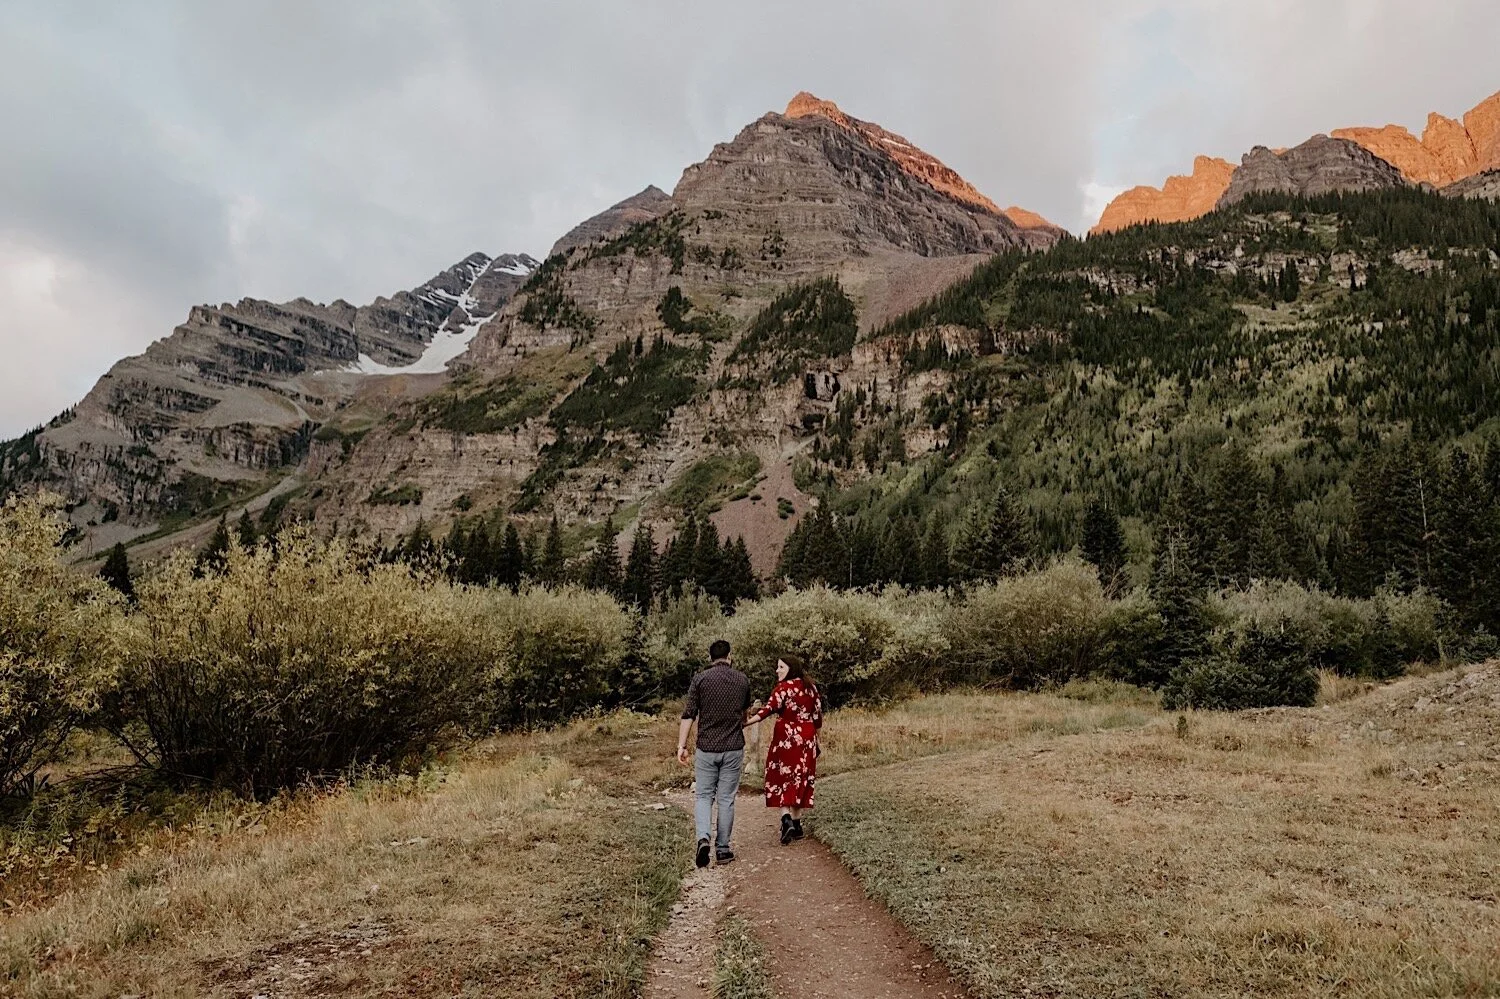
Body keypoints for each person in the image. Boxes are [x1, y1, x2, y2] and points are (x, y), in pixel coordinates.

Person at [677, 638, 752, 868]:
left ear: (710, 658)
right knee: (726, 798)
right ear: (729, 656)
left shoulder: (700, 679)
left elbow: (689, 714)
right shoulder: (742, 679)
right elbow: (744, 716)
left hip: (707, 747)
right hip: (733, 747)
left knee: (703, 796)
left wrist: (681, 746)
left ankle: (703, 838)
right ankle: (723, 849)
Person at [744, 654, 823, 845]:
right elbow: (817, 716)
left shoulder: (783, 688)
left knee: (782, 776)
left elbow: (767, 710)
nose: (777, 670)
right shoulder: (811, 688)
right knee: (801, 777)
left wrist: (746, 723)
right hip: (806, 737)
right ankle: (797, 824)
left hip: (786, 737)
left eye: (781, 667)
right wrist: (817, 739)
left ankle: (786, 818)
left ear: (790, 669)